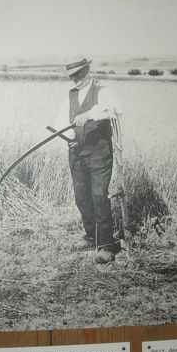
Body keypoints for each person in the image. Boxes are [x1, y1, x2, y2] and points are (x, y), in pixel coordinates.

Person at [54, 56, 122, 263]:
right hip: (76, 152)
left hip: (99, 152)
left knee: (99, 196)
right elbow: (60, 122)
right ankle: (91, 236)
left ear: (87, 71)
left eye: (78, 74)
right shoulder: (71, 94)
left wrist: (91, 114)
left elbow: (115, 110)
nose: (75, 79)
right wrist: (69, 138)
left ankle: (106, 245)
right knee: (81, 196)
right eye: (71, 76)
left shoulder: (103, 90)